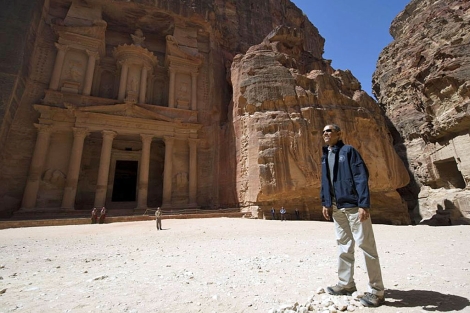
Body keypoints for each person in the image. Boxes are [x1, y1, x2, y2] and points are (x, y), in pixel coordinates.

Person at [320, 124, 385, 307]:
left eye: (329, 130)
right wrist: (326, 202)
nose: (325, 133)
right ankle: (346, 284)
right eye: (323, 131)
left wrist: (363, 204)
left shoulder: (348, 151)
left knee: (366, 246)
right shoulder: (326, 156)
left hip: (353, 206)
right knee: (343, 245)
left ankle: (377, 291)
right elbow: (325, 181)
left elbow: (361, 176)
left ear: (339, 133)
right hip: (337, 208)